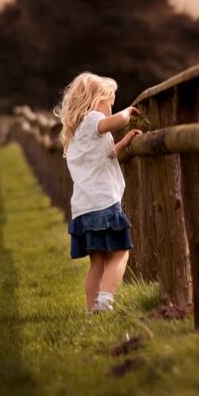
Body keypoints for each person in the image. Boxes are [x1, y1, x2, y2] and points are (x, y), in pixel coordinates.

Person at [53, 72, 142, 314]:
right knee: (120, 253)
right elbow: (116, 122)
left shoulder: (78, 134)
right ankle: (105, 301)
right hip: (104, 204)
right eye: (110, 101)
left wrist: (122, 145)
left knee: (97, 263)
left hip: (84, 209)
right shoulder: (93, 119)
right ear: (97, 99)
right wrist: (128, 112)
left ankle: (91, 310)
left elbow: (103, 155)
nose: (111, 107)